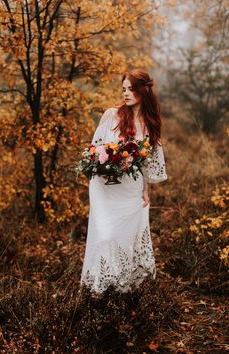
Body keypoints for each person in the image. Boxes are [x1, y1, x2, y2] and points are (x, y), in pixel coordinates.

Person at [80, 69, 168, 296]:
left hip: (132, 189)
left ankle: (123, 289)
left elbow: (149, 163)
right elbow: (94, 150)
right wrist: (105, 161)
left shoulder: (150, 123)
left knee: (126, 235)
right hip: (104, 187)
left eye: (130, 89)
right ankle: (99, 287)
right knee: (105, 234)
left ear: (143, 91)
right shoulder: (111, 115)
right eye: (123, 89)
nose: (126, 93)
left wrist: (146, 189)